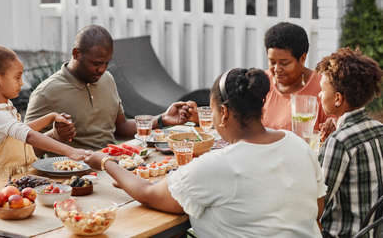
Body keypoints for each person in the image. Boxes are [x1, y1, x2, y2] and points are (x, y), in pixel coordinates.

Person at [84, 68, 326, 238]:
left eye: (211, 111)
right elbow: (318, 208)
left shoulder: (221, 165)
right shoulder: (299, 145)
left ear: (225, 113)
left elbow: (148, 193)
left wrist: (105, 161)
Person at [25, 24, 194, 153]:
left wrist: (163, 119)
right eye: (96, 64)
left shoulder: (107, 79)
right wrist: (55, 136)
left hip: (112, 163)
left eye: (106, 63)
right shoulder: (46, 93)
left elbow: (121, 127)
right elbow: (22, 151)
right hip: (74, 175)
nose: (102, 69)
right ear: (76, 54)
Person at [0, 43, 90, 188]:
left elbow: (19, 131)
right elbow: (28, 135)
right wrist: (70, 151)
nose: (22, 83)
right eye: (17, 78)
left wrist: (50, 117)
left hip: (16, 179)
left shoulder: (4, 106)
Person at [316, 48, 383, 237]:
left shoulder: (340, 142)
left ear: (338, 98)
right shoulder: (378, 128)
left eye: (322, 90)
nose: (320, 95)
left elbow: (316, 203)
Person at [262, 22, 330, 137]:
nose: (277, 69)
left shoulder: (323, 88)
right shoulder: (261, 82)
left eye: (284, 63)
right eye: (272, 62)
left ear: (302, 58)